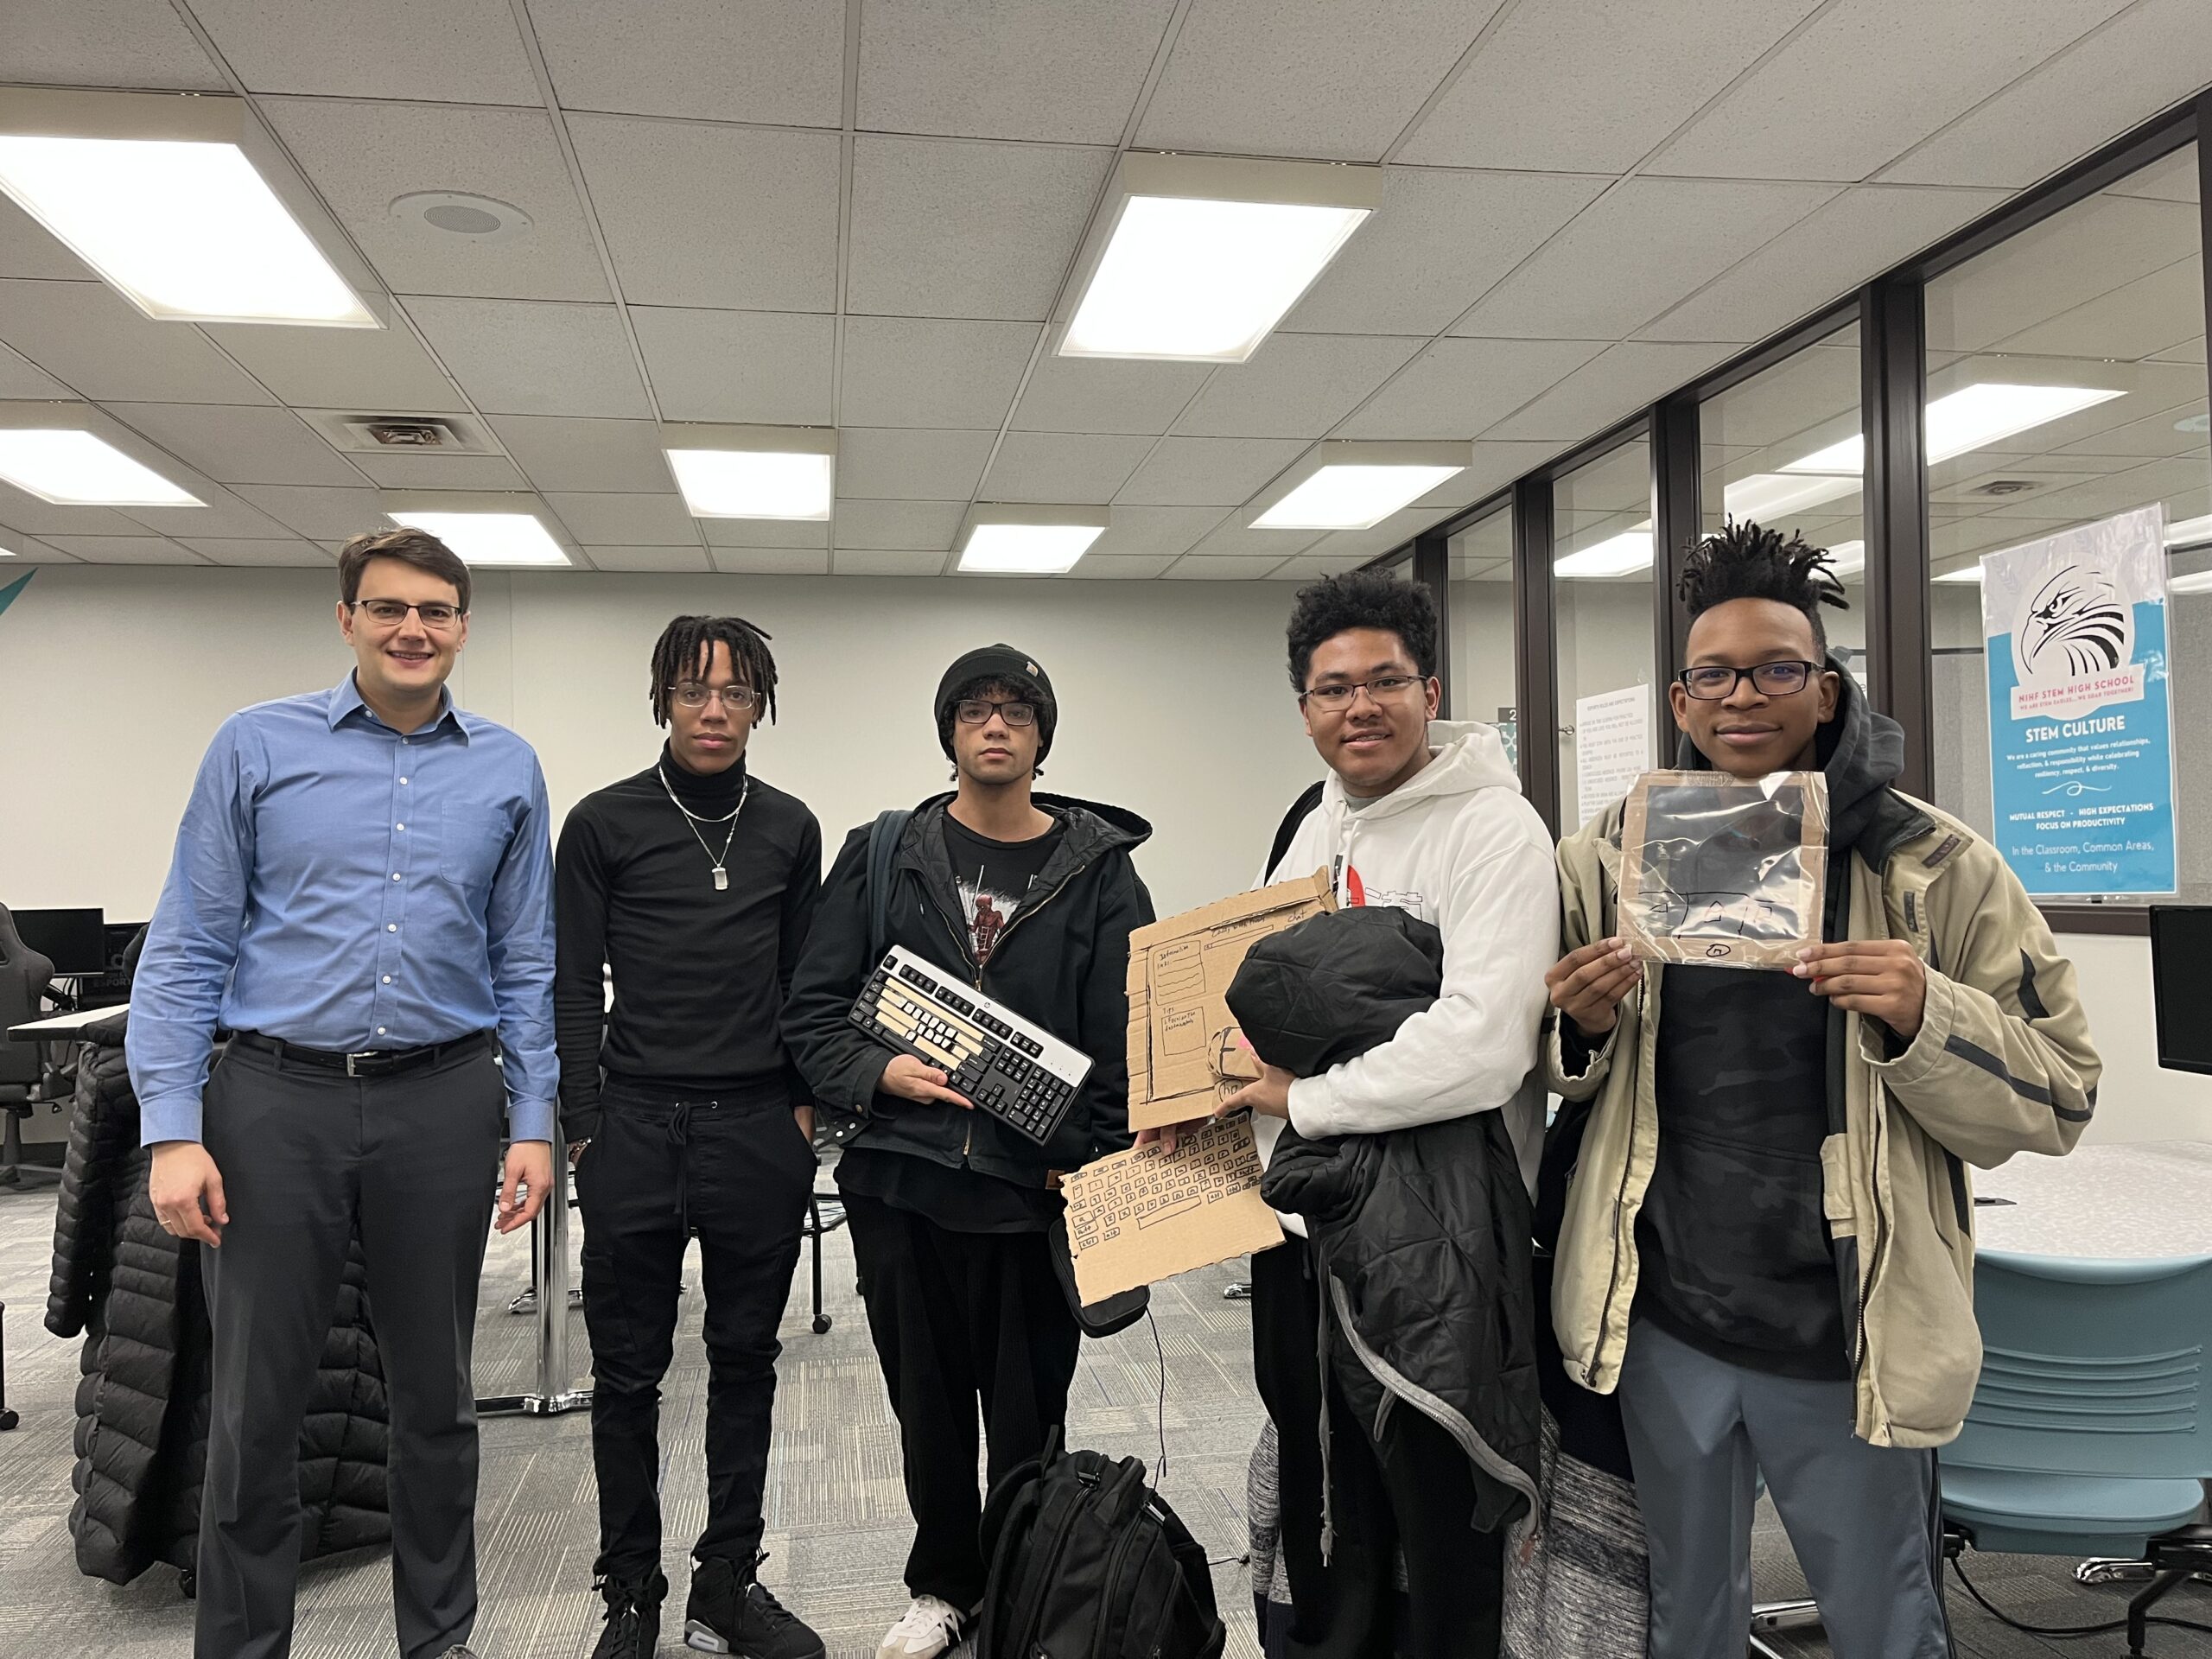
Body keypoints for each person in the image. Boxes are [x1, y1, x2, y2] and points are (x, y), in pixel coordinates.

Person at [1543, 521, 2101, 1659]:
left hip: (1851, 1330)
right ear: (1681, 696)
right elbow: (1530, 1049)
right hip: (1669, 1324)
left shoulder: (1932, 866)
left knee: (1886, 1625)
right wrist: (1580, 1021)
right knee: (1682, 1622)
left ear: (1827, 688)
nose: (1744, 695)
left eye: (1778, 668)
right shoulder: (1609, 856)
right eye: (1715, 673)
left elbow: (2060, 1090)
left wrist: (1922, 1010)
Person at [128, 527, 558, 1659]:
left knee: (435, 1402)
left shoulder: (508, 767)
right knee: (257, 1409)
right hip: (275, 1103)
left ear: (462, 626)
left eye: (436, 610)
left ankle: (439, 1640)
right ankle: (242, 1645)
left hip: (445, 1100)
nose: (413, 628)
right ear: (348, 621)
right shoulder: (255, 746)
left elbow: (526, 964)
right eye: (388, 608)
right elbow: (185, 949)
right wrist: (172, 1129)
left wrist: (534, 1121)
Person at [1160, 569, 1559, 1659]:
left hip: (1437, 1249)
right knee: (1329, 1504)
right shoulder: (1316, 826)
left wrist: (1309, 1099)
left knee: (1436, 1521)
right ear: (1304, 710)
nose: (1360, 707)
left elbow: (1482, 1047)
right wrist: (1194, 1098)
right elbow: (1254, 999)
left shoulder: (1493, 832)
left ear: (1431, 689)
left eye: (1385, 681)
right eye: (1333, 689)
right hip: (1308, 1234)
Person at [782, 645, 1154, 1659]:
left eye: (1017, 710)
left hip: (1035, 1193)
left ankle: (1027, 1589)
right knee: (929, 1411)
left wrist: (1102, 1175)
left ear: (1042, 736)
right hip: (903, 1184)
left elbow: (1132, 1039)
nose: (995, 725)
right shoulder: (884, 851)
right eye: (975, 709)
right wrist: (878, 1077)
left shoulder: (1101, 873)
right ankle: (943, 1587)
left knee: (1032, 1415)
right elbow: (813, 1015)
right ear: (949, 732)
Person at [555, 616, 825, 1659]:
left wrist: (804, 1111)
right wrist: (583, 1124)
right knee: (627, 1374)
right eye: (694, 691)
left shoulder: (791, 827)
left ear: (760, 704)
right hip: (633, 1124)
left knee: (745, 1360)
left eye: (736, 693)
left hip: (757, 1127)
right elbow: (572, 983)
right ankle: (630, 1591)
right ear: (662, 699)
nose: (715, 711)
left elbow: (808, 984)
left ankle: (726, 1583)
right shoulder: (603, 823)